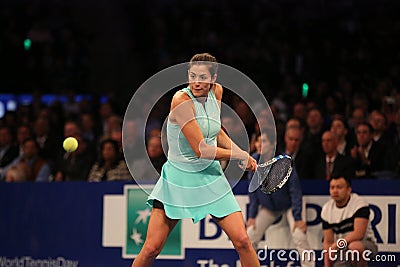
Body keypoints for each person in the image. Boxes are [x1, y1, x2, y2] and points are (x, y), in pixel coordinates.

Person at [131, 53, 260, 267]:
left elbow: (216, 131)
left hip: (210, 177)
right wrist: (238, 155)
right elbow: (202, 149)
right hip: (178, 178)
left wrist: (240, 152)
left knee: (243, 241)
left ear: (214, 78)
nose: (197, 82)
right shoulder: (180, 100)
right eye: (192, 76)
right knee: (152, 248)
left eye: (202, 77)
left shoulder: (217, 92)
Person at [246, 132, 314, 267]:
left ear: (272, 146)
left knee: (299, 236)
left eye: (264, 141)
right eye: (258, 141)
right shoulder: (252, 161)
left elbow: (295, 190)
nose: (259, 144)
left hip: (289, 205)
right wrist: (252, 216)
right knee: (250, 236)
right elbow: (252, 191)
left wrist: (298, 216)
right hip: (268, 207)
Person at [321, 176, 377, 266]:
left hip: (365, 244)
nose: (335, 191)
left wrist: (335, 246)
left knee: (355, 247)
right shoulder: (326, 209)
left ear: (348, 190)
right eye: (332, 187)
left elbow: (359, 234)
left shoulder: (359, 204)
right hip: (341, 247)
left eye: (339, 187)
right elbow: (328, 242)